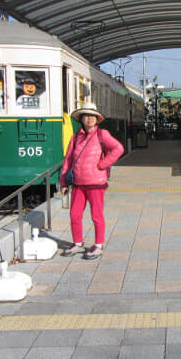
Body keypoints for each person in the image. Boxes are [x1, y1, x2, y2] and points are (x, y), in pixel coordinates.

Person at [59, 102, 124, 259]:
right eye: (86, 115)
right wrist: (63, 182)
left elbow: (118, 149)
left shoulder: (102, 135)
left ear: (97, 118)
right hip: (78, 184)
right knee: (74, 215)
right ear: (81, 118)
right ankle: (77, 243)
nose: (90, 118)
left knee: (96, 215)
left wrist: (102, 164)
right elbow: (68, 160)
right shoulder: (76, 137)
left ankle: (98, 245)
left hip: (96, 183)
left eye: (93, 116)